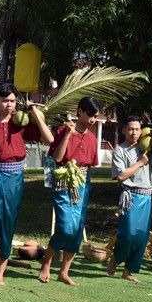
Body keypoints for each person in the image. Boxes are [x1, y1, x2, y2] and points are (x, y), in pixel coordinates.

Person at [0, 82, 54, 285]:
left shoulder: (21, 123)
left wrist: (33, 112)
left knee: (8, 225)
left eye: (13, 101)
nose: (9, 104)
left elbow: (49, 139)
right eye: (5, 100)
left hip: (15, 179)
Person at [38, 97, 102, 286]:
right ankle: (47, 261)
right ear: (80, 112)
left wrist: (83, 186)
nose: (92, 119)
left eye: (95, 116)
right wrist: (67, 134)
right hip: (62, 182)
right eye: (90, 115)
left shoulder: (92, 138)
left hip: (82, 184)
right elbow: (57, 158)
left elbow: (90, 166)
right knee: (66, 227)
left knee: (76, 229)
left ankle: (64, 272)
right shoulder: (62, 130)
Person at [106, 115, 152, 283]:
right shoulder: (120, 150)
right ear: (123, 130)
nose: (134, 132)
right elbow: (121, 176)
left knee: (141, 236)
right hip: (130, 196)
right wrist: (139, 162)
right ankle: (116, 258)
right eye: (130, 129)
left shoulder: (146, 147)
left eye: (137, 129)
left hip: (147, 196)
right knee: (128, 233)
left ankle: (128, 271)